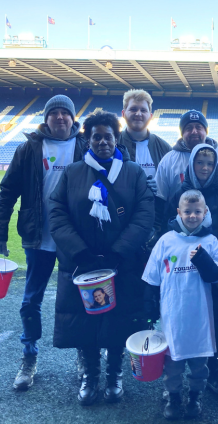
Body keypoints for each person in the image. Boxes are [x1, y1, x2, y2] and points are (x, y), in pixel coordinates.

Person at [49, 110, 154, 406]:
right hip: (81, 263)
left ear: (116, 138)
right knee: (85, 321)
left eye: (108, 136)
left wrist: (118, 252)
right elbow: (57, 213)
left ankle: (113, 374)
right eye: (97, 137)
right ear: (87, 140)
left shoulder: (133, 173)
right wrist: (79, 251)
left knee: (118, 320)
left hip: (120, 264)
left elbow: (144, 214)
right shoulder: (72, 173)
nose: (103, 141)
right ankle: (90, 375)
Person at [0, 95, 87, 390]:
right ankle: (29, 357)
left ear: (73, 118)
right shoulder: (29, 148)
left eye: (66, 112)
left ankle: (84, 356)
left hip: (74, 239)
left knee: (80, 299)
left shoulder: (85, 147)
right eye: (55, 113)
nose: (60, 117)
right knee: (30, 301)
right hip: (37, 237)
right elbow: (7, 191)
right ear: (47, 118)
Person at [143, 190, 218, 420]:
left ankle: (195, 396)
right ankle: (173, 396)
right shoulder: (166, 241)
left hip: (200, 317)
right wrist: (149, 307)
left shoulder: (210, 241)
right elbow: (151, 278)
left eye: (198, 211)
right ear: (179, 212)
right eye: (187, 211)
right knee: (173, 362)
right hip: (173, 316)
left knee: (199, 362)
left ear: (205, 212)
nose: (193, 216)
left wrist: (202, 259)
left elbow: (215, 276)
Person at [118, 89, 172, 246]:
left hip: (154, 224)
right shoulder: (112, 143)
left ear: (150, 115)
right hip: (120, 223)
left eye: (143, 110)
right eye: (133, 109)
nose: (138, 114)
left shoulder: (164, 148)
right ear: (123, 113)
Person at [154, 109, 218, 204]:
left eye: (198, 127)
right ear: (182, 133)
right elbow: (160, 198)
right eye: (189, 128)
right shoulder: (169, 160)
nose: (194, 131)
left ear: (206, 131)